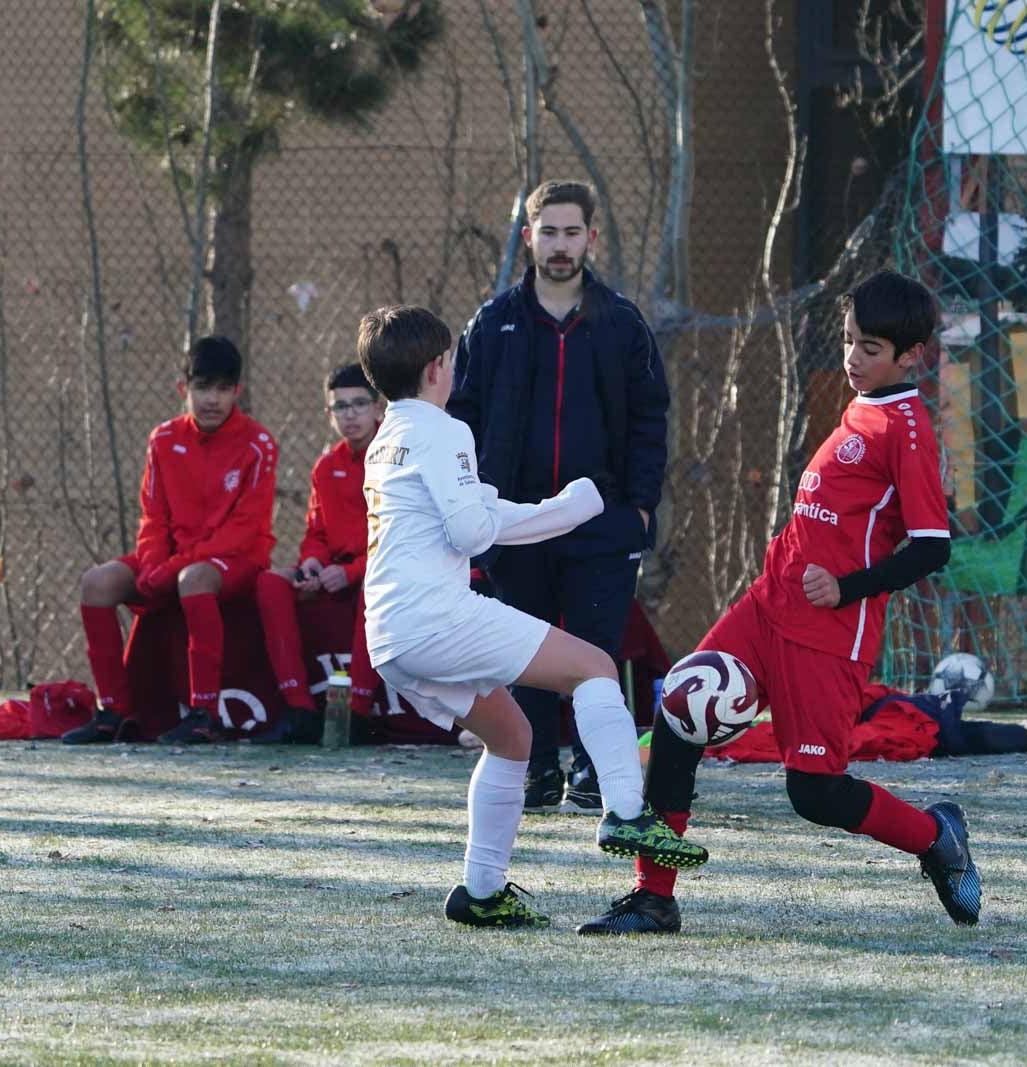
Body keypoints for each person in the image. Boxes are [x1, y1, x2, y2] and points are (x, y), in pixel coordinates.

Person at [577, 270, 979, 937]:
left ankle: (936, 835)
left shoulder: (907, 427)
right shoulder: (865, 402)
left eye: (870, 348)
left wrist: (845, 587)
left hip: (828, 631)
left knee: (814, 791)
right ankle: (653, 897)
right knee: (682, 708)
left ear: (910, 355)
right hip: (770, 603)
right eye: (849, 342)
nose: (853, 358)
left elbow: (933, 545)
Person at [356, 305, 704, 929]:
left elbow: (481, 511)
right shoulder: (442, 430)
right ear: (439, 366)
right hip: (435, 618)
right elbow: (472, 530)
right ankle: (626, 810)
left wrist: (565, 508)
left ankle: (481, 894)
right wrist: (564, 510)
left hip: (389, 632)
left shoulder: (388, 436)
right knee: (595, 666)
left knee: (512, 738)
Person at [448, 179, 668, 814]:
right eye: (549, 232)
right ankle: (537, 769)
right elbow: (463, 420)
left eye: (573, 232)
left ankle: (596, 772)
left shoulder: (622, 323)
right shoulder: (493, 324)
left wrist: (640, 508)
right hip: (516, 522)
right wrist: (478, 505)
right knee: (524, 648)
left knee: (596, 649)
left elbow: (651, 419)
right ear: (529, 237)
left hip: (602, 523)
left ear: (591, 238)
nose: (561, 244)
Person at [64, 337, 277, 745]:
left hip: (234, 560)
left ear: (238, 391)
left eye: (222, 389)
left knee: (194, 580)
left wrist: (171, 569)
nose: (211, 399)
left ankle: (204, 714)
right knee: (97, 582)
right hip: (172, 560)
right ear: (184, 389)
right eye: (202, 388)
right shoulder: (163, 439)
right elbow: (153, 515)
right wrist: (152, 563)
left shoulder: (258, 444)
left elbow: (243, 531)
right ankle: (113, 710)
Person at [250, 362, 384, 744]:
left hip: (374, 572)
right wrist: (312, 562)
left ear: (379, 409)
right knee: (270, 583)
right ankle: (298, 709)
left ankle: (356, 714)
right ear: (329, 415)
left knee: (375, 584)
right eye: (340, 407)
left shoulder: (395, 461)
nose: (350, 414)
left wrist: (353, 572)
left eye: (359, 404)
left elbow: (397, 539)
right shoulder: (326, 466)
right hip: (333, 571)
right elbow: (316, 532)